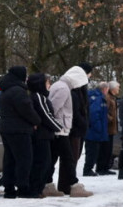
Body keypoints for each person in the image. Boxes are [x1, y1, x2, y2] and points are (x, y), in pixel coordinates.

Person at [45, 66, 92, 197]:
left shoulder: (59, 86)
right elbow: (53, 108)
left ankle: (47, 183)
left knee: (54, 158)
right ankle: (74, 185)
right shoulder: (64, 88)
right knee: (68, 159)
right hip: (61, 129)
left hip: (59, 129)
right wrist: (57, 125)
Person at [0, 66, 41, 198]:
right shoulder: (18, 91)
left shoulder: (6, 89)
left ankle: (9, 188)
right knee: (24, 159)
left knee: (9, 159)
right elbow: (26, 109)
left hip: (6, 128)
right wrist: (37, 121)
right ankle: (23, 188)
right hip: (19, 129)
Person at [28, 73, 63, 197]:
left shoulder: (39, 96)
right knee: (42, 162)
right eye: (47, 83)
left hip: (43, 134)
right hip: (41, 135)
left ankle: (37, 188)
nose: (49, 85)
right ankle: (35, 189)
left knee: (44, 162)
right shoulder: (39, 97)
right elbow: (46, 115)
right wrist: (59, 127)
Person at [69, 63, 92, 175]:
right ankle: (69, 179)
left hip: (80, 126)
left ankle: (71, 178)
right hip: (75, 127)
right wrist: (83, 122)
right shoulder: (75, 90)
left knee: (76, 154)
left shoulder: (83, 88)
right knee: (72, 155)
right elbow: (77, 109)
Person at [83, 82, 108, 176]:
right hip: (94, 131)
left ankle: (88, 168)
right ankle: (88, 169)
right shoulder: (98, 98)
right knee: (92, 151)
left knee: (92, 151)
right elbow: (94, 113)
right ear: (104, 89)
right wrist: (99, 127)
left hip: (92, 130)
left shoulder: (95, 97)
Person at [97, 81, 120, 175]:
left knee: (109, 149)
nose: (119, 89)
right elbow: (103, 111)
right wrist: (110, 119)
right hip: (107, 128)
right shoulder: (108, 98)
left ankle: (105, 167)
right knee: (105, 149)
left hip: (111, 128)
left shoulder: (113, 98)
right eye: (118, 87)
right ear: (113, 88)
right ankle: (101, 167)